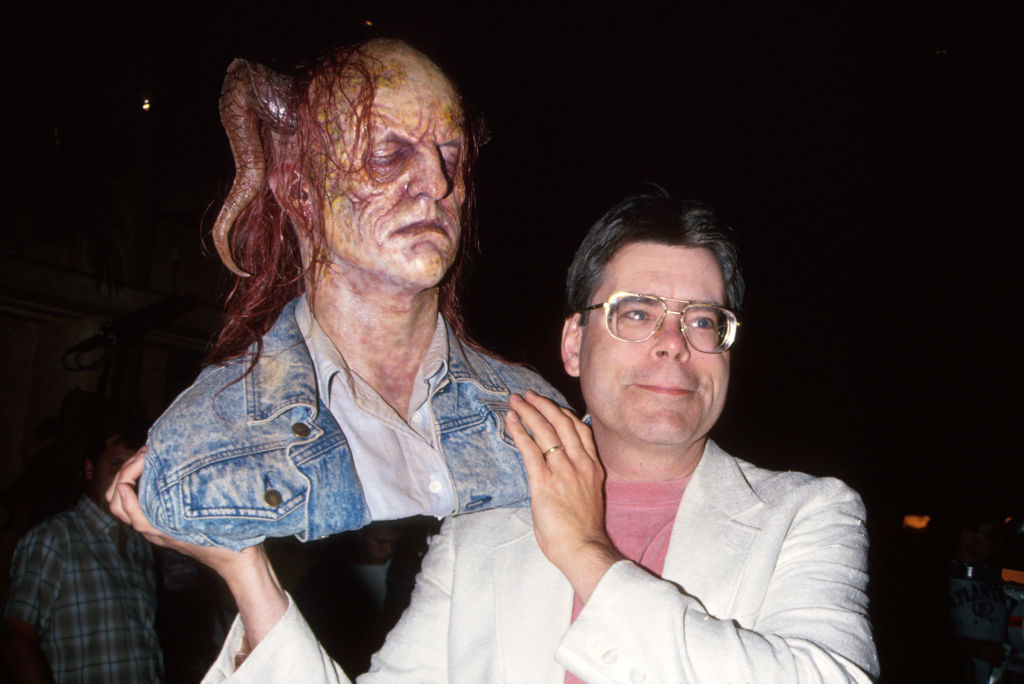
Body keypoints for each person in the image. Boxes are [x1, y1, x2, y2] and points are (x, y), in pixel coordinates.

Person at [111, 189, 879, 682]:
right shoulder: (483, 523)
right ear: (574, 343)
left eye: (703, 320)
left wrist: (586, 554)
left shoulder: (804, 514)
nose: (674, 344)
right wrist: (244, 569)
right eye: (637, 314)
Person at [137, 37, 564, 552]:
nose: (437, 183)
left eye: (450, 157)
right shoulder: (204, 447)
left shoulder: (542, 422)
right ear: (300, 193)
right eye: (387, 156)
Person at [4, 407, 163, 683]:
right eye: (116, 465)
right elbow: (18, 640)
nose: (127, 479)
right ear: (89, 469)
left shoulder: (141, 544)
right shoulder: (55, 538)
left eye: (136, 469)